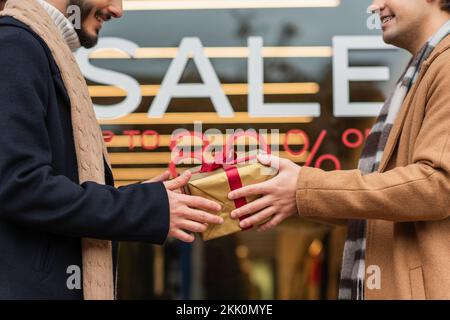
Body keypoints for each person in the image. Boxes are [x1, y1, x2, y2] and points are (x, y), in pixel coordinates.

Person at [0, 0, 222, 299]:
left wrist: (139, 199)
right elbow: (19, 185)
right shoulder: (16, 45)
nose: (118, 9)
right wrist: (143, 208)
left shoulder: (35, 48)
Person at [229, 0, 450, 300]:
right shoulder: (422, 73)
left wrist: (305, 189)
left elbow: (438, 185)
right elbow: (386, 209)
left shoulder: (445, 65)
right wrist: (297, 196)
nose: (375, 6)